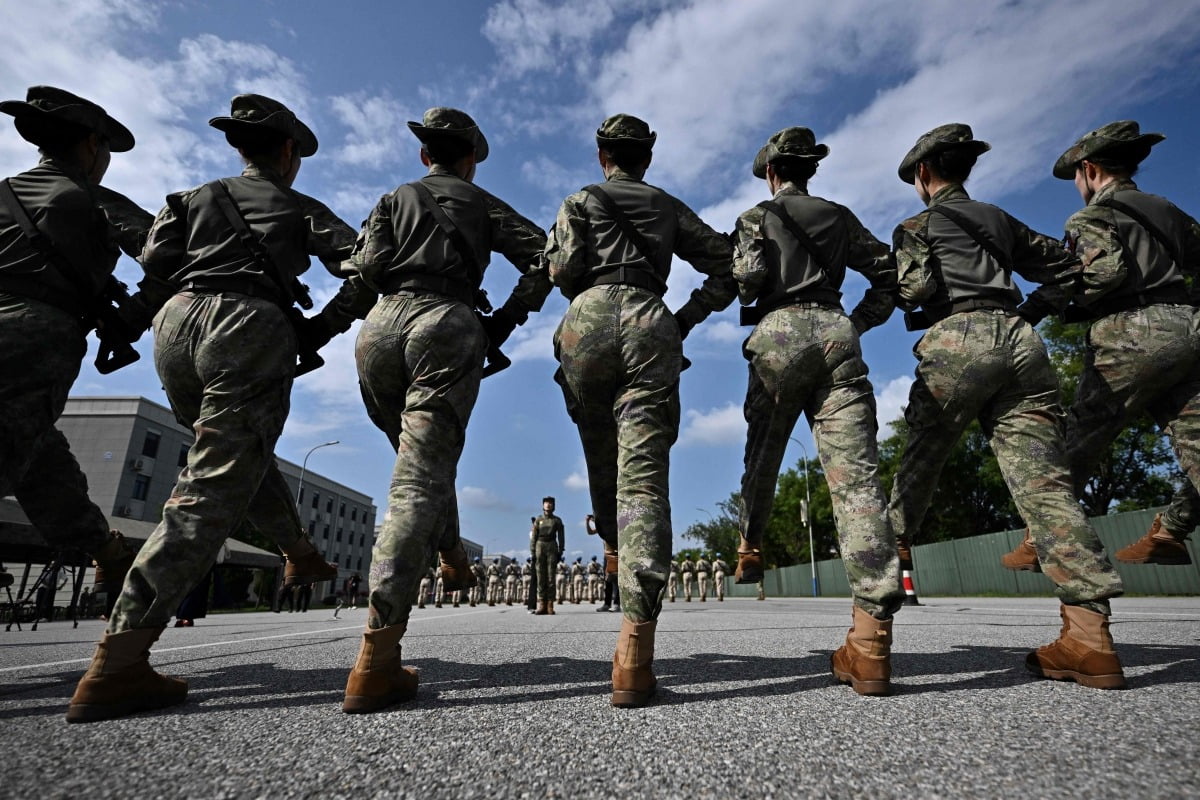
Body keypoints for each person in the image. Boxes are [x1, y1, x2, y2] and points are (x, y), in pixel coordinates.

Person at [68, 94, 369, 723]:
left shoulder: (189, 198)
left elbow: (156, 262)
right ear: (287, 152)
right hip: (248, 325)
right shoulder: (296, 205)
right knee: (212, 479)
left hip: (175, 328)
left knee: (231, 455)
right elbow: (365, 269)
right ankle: (119, 657)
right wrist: (319, 331)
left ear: (239, 147)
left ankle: (300, 551)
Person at [888, 123, 1125, 689]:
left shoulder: (916, 226)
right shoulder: (998, 219)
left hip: (956, 338)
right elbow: (1070, 266)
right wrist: (1032, 310)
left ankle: (871, 626)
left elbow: (915, 293)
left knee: (916, 470)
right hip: (1021, 342)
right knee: (1047, 486)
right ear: (964, 169)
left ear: (923, 173)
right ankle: (1091, 638)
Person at [342, 105, 553, 713]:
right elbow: (546, 256)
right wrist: (507, 320)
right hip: (445, 323)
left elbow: (366, 268)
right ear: (470, 158)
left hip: (379, 330)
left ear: (423, 154)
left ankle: (452, 553)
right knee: (419, 477)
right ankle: (376, 659)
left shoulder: (392, 199)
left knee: (420, 467)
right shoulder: (483, 205)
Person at [545, 113, 736, 706]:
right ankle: (635, 652)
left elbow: (561, 271)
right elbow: (730, 265)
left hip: (588, 317)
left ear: (604, 156)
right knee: (645, 473)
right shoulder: (667, 205)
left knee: (599, 450)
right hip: (653, 320)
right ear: (645, 158)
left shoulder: (579, 200)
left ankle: (609, 538)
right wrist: (685, 318)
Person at [732, 126, 903, 694]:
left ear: (772, 173)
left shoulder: (757, 215)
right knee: (858, 482)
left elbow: (749, 279)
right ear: (808, 170)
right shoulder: (840, 216)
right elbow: (890, 274)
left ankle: (749, 543)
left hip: (778, 332)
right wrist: (859, 321)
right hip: (836, 331)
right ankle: (872, 642)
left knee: (763, 455)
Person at [1001, 120, 1200, 571]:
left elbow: (1101, 274)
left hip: (1130, 337)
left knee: (1078, 441)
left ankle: (1040, 537)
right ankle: (1171, 530)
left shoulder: (1091, 218)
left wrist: (1051, 309)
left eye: (1076, 175)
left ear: (1089, 169)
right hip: (1189, 328)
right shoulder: (1166, 209)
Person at [0, 86, 148, 621]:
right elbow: (173, 252)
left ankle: (105, 549)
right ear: (91, 145)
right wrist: (134, 316)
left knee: (38, 456)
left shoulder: (4, 192)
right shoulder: (92, 199)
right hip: (32, 338)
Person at [531, 496, 565, 615]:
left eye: (550, 503)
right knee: (541, 576)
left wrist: (561, 550)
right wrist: (532, 552)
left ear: (553, 506)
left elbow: (561, 536)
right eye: (546, 503)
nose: (548, 505)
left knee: (551, 577)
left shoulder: (557, 520)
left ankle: (550, 604)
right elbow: (533, 537)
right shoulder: (538, 520)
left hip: (551, 546)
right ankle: (542, 604)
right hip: (540, 546)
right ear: (543, 505)